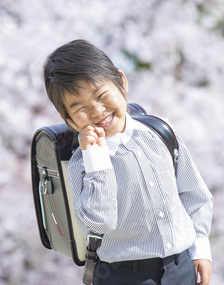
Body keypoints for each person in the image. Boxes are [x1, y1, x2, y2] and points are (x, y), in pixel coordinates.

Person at [43, 39, 213, 285]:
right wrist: (97, 161)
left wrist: (200, 249)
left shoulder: (159, 132)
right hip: (123, 275)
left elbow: (193, 193)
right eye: (80, 108)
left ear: (122, 82)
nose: (97, 110)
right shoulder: (83, 162)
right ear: (67, 118)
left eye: (102, 95)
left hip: (181, 267)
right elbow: (99, 222)